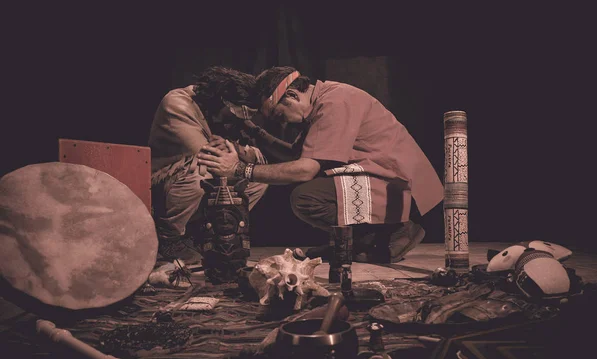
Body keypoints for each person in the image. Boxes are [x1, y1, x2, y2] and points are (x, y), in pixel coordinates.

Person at [197, 66, 443, 263]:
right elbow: (296, 156)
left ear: (292, 96)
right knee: (307, 185)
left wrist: (239, 170)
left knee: (305, 197)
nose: (282, 124)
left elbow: (304, 169)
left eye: (280, 116)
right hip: (385, 178)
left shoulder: (335, 102)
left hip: (400, 188)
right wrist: (252, 135)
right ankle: (363, 238)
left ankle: (393, 230)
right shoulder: (324, 98)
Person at [149, 66, 268, 262]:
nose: (240, 121)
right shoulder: (178, 103)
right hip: (167, 181)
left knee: (258, 179)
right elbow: (208, 157)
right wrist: (236, 155)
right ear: (223, 101)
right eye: (237, 115)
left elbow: (257, 156)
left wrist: (237, 149)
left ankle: (204, 235)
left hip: (209, 171)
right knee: (200, 173)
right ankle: (168, 239)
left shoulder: (224, 112)